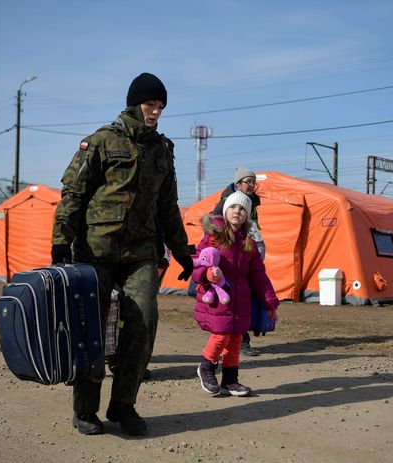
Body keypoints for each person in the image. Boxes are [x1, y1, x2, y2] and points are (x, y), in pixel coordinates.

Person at [51, 72, 193, 436]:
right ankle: (85, 409)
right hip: (95, 251)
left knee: (144, 321)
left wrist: (182, 251)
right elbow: (74, 195)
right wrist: (60, 241)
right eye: (150, 105)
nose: (156, 113)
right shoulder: (101, 141)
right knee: (91, 329)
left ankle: (123, 405)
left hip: (141, 252)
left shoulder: (162, 149)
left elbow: (168, 206)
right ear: (135, 104)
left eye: (161, 108)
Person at [193, 191, 279, 396]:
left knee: (236, 339)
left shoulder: (248, 243)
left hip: (241, 300)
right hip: (218, 298)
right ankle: (206, 366)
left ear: (247, 216)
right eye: (233, 207)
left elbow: (259, 275)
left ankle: (230, 380)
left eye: (242, 209)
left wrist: (270, 302)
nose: (237, 211)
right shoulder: (213, 236)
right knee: (221, 336)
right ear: (225, 210)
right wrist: (206, 273)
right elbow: (197, 262)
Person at [211, 167, 265, 356]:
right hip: (229, 259)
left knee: (243, 299)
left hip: (245, 257)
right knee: (234, 301)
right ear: (238, 183)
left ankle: (237, 339)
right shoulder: (227, 203)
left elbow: (253, 229)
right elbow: (213, 226)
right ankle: (237, 343)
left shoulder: (251, 204)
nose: (251, 185)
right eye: (248, 181)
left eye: (253, 182)